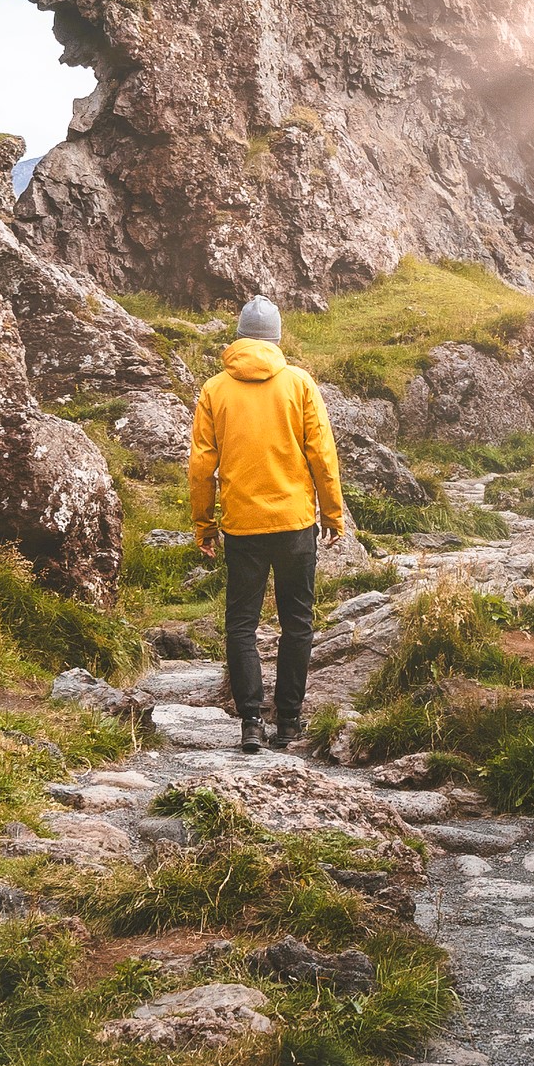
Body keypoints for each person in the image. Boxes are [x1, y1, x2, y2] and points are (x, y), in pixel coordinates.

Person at [186, 294, 347, 751]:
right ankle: (290, 722)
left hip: (241, 527)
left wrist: (204, 525)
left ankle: (251, 724)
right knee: (297, 621)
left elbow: (201, 467)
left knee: (241, 624)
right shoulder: (299, 383)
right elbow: (323, 456)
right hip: (295, 523)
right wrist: (331, 515)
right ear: (276, 338)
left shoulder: (215, 389)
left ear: (239, 337)